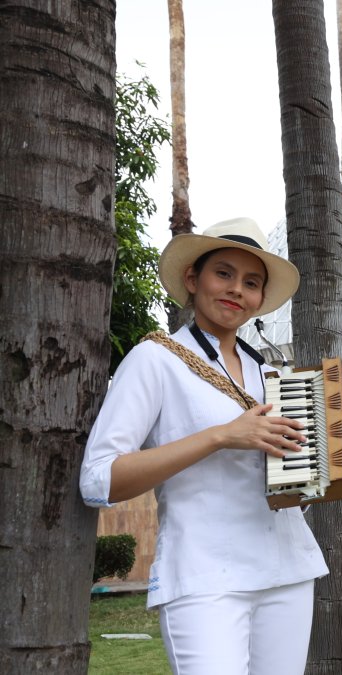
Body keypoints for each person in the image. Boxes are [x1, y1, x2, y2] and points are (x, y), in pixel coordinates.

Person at [79, 218, 328, 674]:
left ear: (259, 300)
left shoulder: (272, 376)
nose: (237, 290)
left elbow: (288, 485)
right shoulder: (155, 360)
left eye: (251, 283)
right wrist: (220, 436)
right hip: (205, 576)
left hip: (288, 570)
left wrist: (316, 463)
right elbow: (98, 481)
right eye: (224, 273)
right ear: (193, 279)